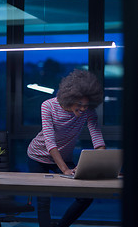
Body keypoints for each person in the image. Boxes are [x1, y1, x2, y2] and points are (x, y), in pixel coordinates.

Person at [27, 69, 106, 227]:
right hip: (38, 155)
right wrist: (64, 170)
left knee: (86, 197)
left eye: (86, 105)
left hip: (64, 158)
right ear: (70, 98)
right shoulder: (48, 106)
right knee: (43, 201)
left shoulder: (88, 113)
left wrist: (104, 164)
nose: (83, 108)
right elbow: (50, 141)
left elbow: (97, 139)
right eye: (79, 104)